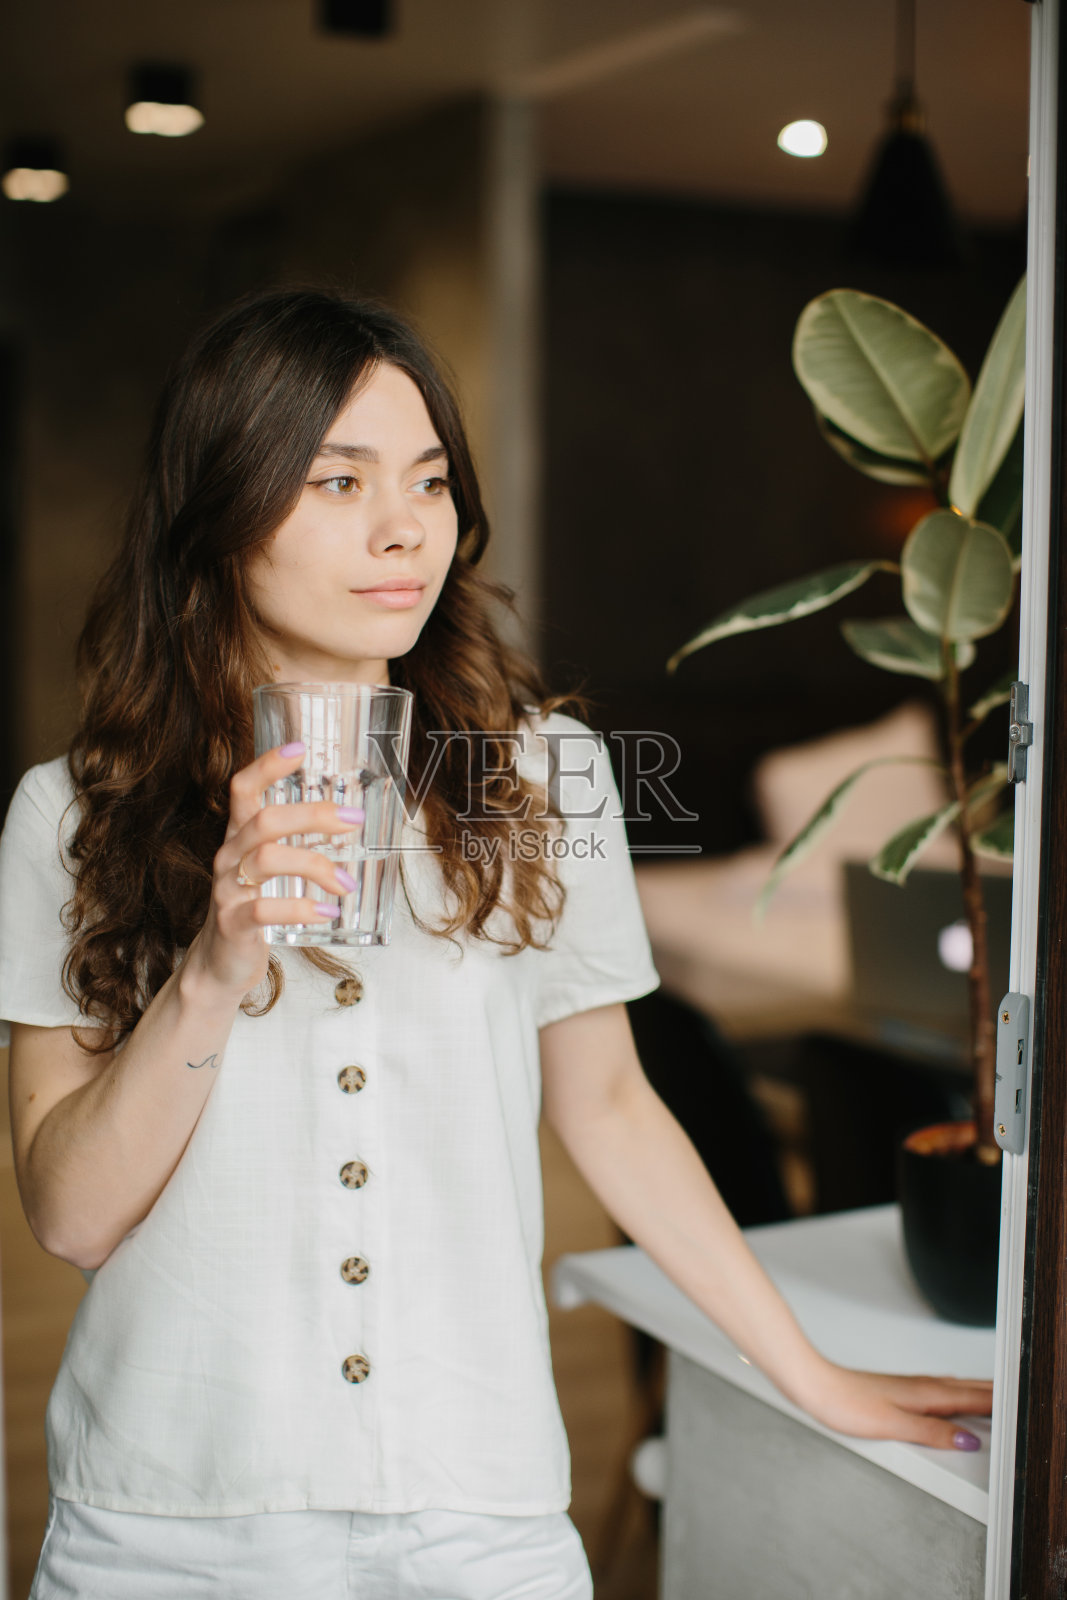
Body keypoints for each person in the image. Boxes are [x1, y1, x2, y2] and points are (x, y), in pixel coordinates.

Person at [0, 289, 993, 1600]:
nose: (405, 526)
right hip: (170, 1511)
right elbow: (71, 1217)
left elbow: (615, 1107)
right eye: (337, 480)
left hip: (477, 1505)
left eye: (428, 480)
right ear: (218, 514)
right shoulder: (72, 811)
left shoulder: (545, 777)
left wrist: (801, 1369)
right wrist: (212, 973)